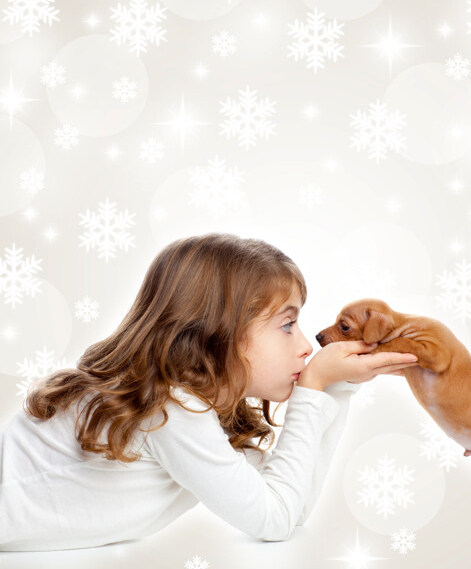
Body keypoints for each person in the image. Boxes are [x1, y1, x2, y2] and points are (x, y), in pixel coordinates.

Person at [0, 233, 417, 551]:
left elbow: (292, 506)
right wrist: (313, 387)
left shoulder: (202, 413)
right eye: (287, 325)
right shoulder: (167, 408)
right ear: (218, 332)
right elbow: (273, 521)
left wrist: (335, 388)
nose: (308, 345)